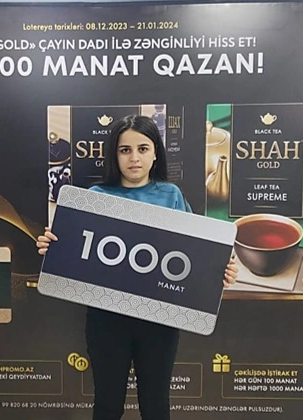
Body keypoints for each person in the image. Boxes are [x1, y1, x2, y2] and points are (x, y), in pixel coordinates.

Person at [37, 115, 238, 420]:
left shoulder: (171, 195)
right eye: (125, 150)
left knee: (156, 406)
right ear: (114, 155)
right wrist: (52, 246)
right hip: (106, 320)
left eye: (143, 149)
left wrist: (222, 271)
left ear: (155, 153)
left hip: (159, 321)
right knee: (107, 406)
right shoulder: (96, 198)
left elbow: (195, 256)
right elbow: (72, 253)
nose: (134, 158)